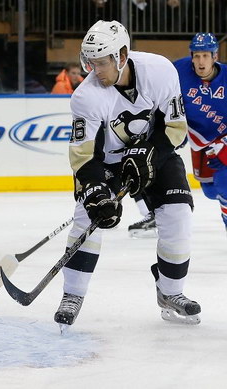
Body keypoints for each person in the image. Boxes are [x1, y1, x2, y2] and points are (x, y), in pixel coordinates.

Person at [55, 20, 201, 331]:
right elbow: (83, 156)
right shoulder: (85, 96)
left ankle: (171, 292)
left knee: (178, 214)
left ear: (122, 55)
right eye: (91, 62)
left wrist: (151, 152)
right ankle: (72, 295)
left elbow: (175, 129)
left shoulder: (159, 70)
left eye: (102, 61)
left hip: (155, 154)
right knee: (87, 218)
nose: (96, 69)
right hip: (105, 164)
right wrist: (96, 189)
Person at [174, 33, 227, 233]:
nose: (200, 61)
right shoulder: (179, 69)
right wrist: (174, 128)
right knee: (210, 191)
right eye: (196, 56)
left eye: (205, 55)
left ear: (215, 56)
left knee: (224, 184)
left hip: (224, 138)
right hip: (201, 141)